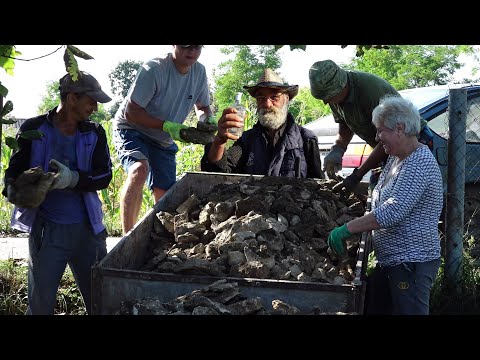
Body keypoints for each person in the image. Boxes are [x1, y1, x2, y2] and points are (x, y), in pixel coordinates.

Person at [2, 71, 113, 315]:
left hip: (88, 232)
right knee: (40, 306)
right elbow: (12, 174)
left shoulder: (94, 133)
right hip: (48, 231)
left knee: (101, 304)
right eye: (91, 100)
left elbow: (104, 176)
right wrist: (15, 190)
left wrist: (72, 179)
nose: (94, 107)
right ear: (72, 98)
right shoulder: (34, 129)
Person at [326, 95, 443, 315]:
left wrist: (346, 229)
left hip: (412, 262)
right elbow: (380, 197)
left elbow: (392, 210)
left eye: (381, 131)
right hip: (393, 261)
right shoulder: (396, 158)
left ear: (399, 128)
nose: (378, 137)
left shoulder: (419, 163)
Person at [112, 45, 215, 234]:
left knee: (165, 195)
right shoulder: (154, 69)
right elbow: (131, 113)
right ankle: (127, 239)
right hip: (131, 129)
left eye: (197, 46)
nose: (191, 51)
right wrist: (168, 126)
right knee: (139, 170)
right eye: (186, 46)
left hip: (163, 140)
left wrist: (207, 119)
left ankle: (156, 238)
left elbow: (203, 106)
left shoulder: (199, 71)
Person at [308, 59, 434, 193]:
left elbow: (388, 134)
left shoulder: (369, 91)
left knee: (399, 193)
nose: (326, 101)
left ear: (342, 86)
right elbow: (345, 122)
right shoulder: (335, 98)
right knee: (377, 192)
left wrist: (357, 175)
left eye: (328, 96)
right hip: (387, 145)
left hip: (412, 140)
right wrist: (338, 148)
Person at [201, 68, 324, 179]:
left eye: (274, 97)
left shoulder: (306, 139)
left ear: (286, 99)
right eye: (261, 98)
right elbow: (219, 172)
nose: (267, 104)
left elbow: (318, 185)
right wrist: (219, 140)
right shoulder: (247, 140)